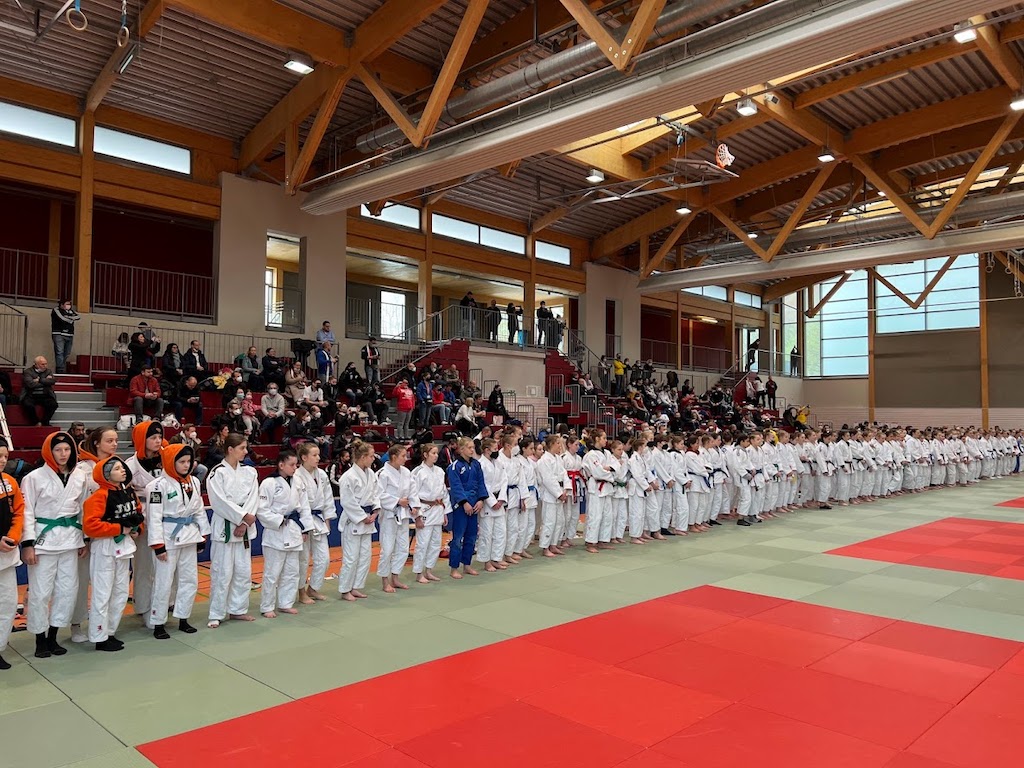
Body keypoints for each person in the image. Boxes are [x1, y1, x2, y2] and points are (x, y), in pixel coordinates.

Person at [21, 432, 87, 657]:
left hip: (70, 538)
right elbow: (27, 511)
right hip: (43, 540)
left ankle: (53, 636)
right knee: (40, 592)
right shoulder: (34, 477)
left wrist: (83, 538)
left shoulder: (79, 476)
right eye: (58, 450)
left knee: (67, 590)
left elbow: (82, 508)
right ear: (49, 451)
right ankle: (40, 639)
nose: (63, 454)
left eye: (67, 450)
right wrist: (28, 544)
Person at [145, 444, 209, 639]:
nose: (186, 465)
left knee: (189, 580)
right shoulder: (157, 486)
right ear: (170, 462)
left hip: (189, 536)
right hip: (168, 538)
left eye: (188, 462)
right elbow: (153, 517)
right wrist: (157, 545)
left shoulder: (194, 483)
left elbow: (198, 509)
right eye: (181, 462)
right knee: (164, 583)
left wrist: (203, 534)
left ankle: (183, 617)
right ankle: (158, 622)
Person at [83, 456, 145, 652]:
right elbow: (90, 526)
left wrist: (137, 528)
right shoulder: (98, 496)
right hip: (105, 548)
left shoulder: (129, 493)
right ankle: (99, 636)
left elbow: (138, 513)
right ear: (105, 474)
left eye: (122, 468)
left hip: (125, 547)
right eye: (117, 469)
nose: (123, 471)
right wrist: (119, 529)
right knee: (102, 594)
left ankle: (110, 631)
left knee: (120, 593)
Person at [206, 433, 259, 628]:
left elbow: (254, 496)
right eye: (242, 448)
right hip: (224, 529)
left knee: (243, 573)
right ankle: (216, 613)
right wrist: (241, 517)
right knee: (222, 573)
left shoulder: (250, 472)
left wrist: (245, 522)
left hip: (244, 529)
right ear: (230, 450)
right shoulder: (217, 473)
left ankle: (238, 610)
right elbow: (218, 501)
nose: (246, 452)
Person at [256, 450, 312, 619]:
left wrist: (306, 528)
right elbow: (262, 509)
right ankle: (267, 606)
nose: (295, 468)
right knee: (272, 573)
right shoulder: (269, 483)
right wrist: (279, 520)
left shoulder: (298, 481)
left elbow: (304, 506)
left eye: (297, 464)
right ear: (281, 465)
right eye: (292, 465)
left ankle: (286, 603)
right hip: (276, 531)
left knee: (292, 571)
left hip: (294, 529)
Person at [126, 421, 166, 624]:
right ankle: (143, 605)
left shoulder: (168, 457)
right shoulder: (130, 465)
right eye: (152, 437)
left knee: (165, 563)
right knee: (142, 565)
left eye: (159, 437)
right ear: (142, 439)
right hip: (142, 517)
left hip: (164, 517)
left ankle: (166, 603)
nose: (158, 441)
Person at [337, 441, 381, 601]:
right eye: (371, 456)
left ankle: (356, 586)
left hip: (368, 519)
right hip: (353, 521)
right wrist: (363, 517)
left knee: (365, 556)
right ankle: (344, 589)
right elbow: (347, 501)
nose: (373, 458)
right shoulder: (348, 477)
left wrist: (375, 512)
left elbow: (377, 494)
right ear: (362, 457)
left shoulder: (372, 474)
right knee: (351, 558)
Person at [294, 443, 334, 603]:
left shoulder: (322, 475)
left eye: (318, 455)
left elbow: (328, 498)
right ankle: (301, 592)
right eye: (314, 455)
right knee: (302, 559)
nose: (318, 458)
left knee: (324, 558)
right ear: (304, 457)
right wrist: (301, 526)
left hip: (319, 520)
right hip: (302, 521)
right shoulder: (296, 476)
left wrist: (328, 518)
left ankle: (313, 588)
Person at [376, 444, 417, 593]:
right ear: (393, 457)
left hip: (404, 514)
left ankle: (395, 577)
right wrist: (398, 501)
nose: (406, 459)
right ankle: (384, 580)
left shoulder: (406, 472)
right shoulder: (382, 473)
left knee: (403, 548)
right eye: (403, 456)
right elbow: (379, 495)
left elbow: (413, 491)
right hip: (388, 515)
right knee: (387, 549)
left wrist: (414, 506)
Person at [446, 436, 487, 578]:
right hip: (461, 507)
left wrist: (481, 500)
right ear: (461, 449)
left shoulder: (476, 465)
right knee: (457, 538)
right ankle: (454, 568)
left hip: (475, 504)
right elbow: (456, 487)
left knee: (471, 536)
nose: (472, 450)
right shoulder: (454, 466)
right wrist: (464, 502)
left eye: (473, 447)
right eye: (469, 447)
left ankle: (467, 565)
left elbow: (481, 483)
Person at [0, 440, 24, 670]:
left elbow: (18, 512)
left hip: (7, 554)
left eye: (5, 456)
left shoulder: (9, 482)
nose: (3, 460)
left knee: (7, 604)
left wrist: (14, 535)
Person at [411, 444, 448, 584]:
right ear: (425, 454)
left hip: (438, 508)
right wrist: (417, 516)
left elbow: (444, 493)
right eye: (433, 453)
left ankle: (429, 570)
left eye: (437, 453)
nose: (436, 455)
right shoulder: (418, 472)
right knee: (423, 543)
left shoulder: (440, 471)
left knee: (435, 543)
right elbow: (413, 494)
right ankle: (419, 572)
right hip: (425, 507)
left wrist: (445, 512)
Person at [21, 356, 58, 427]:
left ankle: (45, 422)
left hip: (45, 395)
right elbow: (30, 384)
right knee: (27, 404)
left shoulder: (48, 371)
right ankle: (36, 422)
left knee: (53, 404)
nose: (45, 366)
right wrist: (45, 381)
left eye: (46, 364)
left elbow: (52, 381)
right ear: (36, 365)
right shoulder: (28, 372)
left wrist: (39, 380)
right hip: (31, 395)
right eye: (42, 364)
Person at [51, 299, 80, 374]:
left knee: (67, 353)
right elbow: (62, 318)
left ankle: (62, 367)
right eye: (67, 304)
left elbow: (78, 317)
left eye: (69, 304)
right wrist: (70, 318)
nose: (68, 306)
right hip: (59, 334)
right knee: (59, 352)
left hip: (69, 335)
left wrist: (68, 317)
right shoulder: (56, 310)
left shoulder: (71, 311)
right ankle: (60, 369)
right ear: (61, 304)